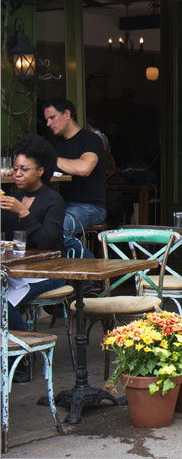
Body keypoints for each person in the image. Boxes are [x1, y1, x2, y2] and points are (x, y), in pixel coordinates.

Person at [1, 136, 66, 332]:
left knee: (3, 303)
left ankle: (19, 350)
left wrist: (23, 212)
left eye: (24, 169)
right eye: (15, 169)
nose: (17, 174)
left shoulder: (53, 200)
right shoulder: (13, 197)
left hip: (47, 273)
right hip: (15, 270)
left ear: (40, 171)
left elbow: (47, 241)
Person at [43, 97, 106, 255]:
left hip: (91, 207)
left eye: (52, 117)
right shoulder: (55, 143)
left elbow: (84, 168)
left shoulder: (90, 139)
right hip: (62, 204)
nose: (48, 123)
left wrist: (51, 159)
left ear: (67, 114)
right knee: (34, 226)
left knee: (59, 228)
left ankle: (92, 268)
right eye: (46, 119)